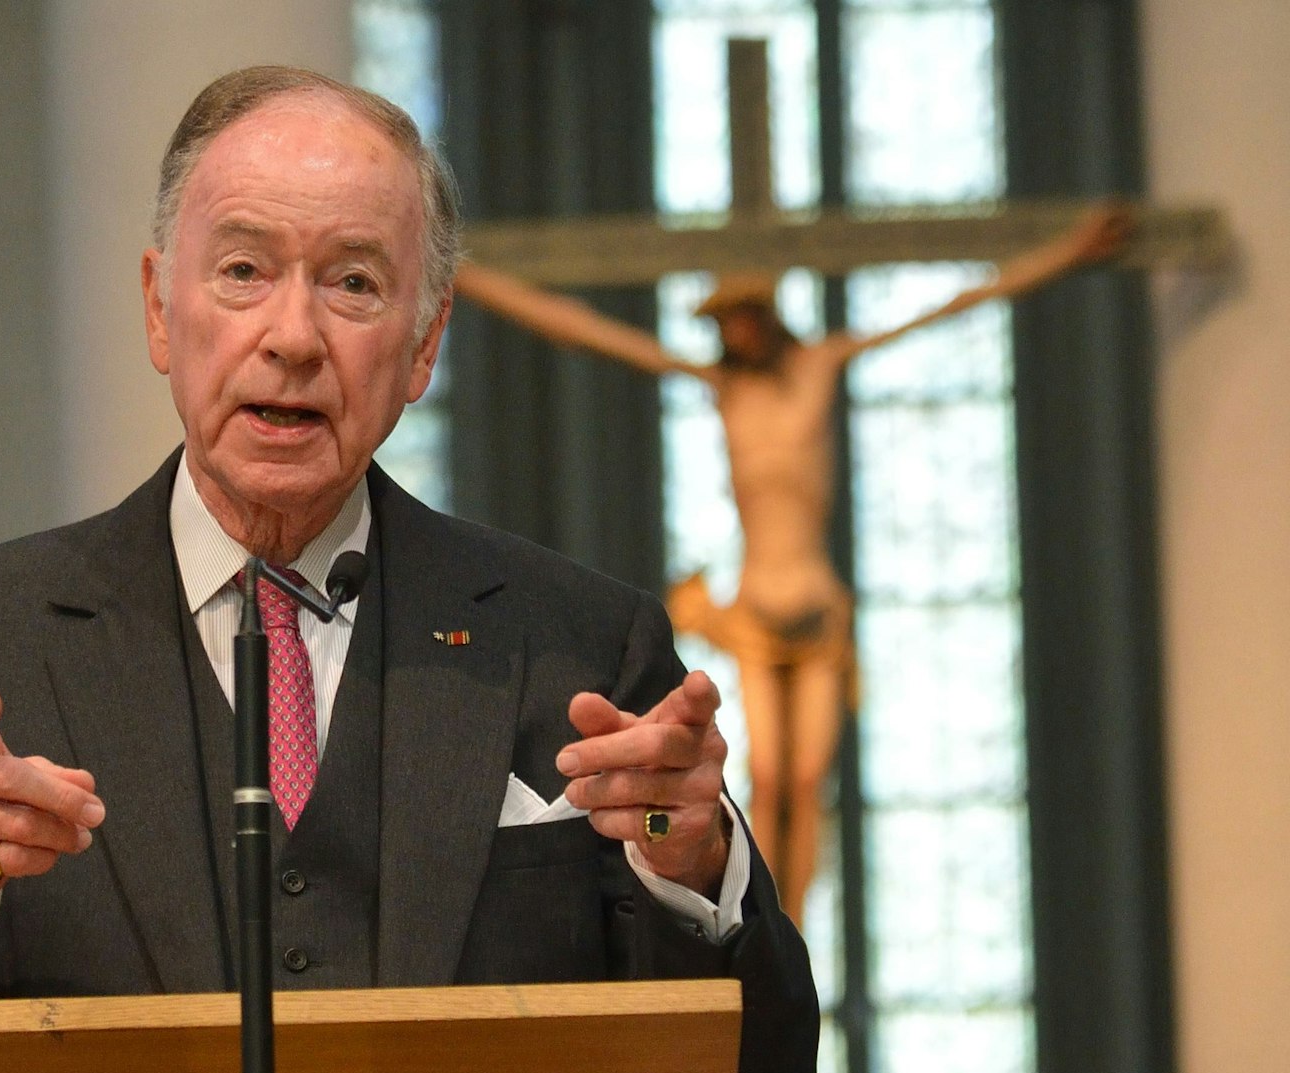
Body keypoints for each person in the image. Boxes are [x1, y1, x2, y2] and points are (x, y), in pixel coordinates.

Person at [0, 65, 818, 1073]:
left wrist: (689, 869)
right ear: (157, 308)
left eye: (354, 285)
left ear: (423, 344)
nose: (290, 335)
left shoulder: (580, 646)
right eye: (242, 270)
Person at [453, 206, 1129, 924]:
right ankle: (765, 919)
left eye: (741, 318)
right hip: (754, 610)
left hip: (815, 608)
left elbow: (956, 304)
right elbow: (585, 332)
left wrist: (1067, 251)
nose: (732, 333)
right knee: (768, 782)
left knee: (808, 783)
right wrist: (460, 277)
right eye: (723, 324)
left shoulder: (818, 367)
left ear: (766, 315)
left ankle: (796, 926)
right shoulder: (723, 387)